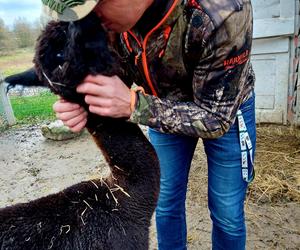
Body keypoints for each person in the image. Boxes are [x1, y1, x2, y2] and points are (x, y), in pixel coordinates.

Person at [42, 0, 256, 249]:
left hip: (223, 107)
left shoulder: (224, 11)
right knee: (165, 203)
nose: (88, 19)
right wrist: (82, 104)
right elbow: (113, 75)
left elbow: (216, 118)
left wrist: (136, 105)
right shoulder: (109, 22)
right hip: (163, 102)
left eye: (95, 6)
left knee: (226, 212)